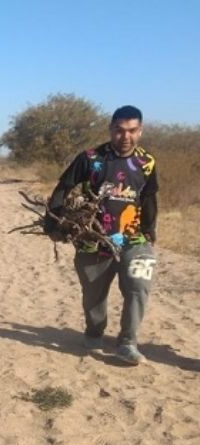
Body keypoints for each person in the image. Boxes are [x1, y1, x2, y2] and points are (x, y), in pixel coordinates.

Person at [44, 105, 157, 366]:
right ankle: (95, 331)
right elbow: (63, 188)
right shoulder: (90, 158)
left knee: (138, 288)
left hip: (134, 239)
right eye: (119, 130)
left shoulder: (147, 162)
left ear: (140, 131)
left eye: (131, 131)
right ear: (110, 129)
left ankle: (128, 342)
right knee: (93, 295)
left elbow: (149, 198)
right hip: (92, 239)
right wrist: (53, 226)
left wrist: (150, 230)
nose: (125, 136)